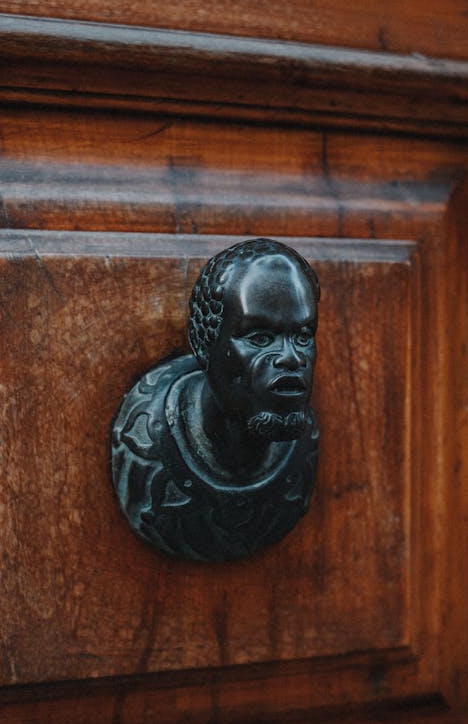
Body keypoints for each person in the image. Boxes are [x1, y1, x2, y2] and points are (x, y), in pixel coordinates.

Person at [111, 238, 320, 562]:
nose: (291, 358)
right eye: (260, 338)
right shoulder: (149, 443)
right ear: (204, 344)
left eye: (303, 336)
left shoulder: (299, 453)